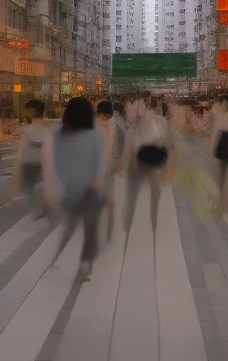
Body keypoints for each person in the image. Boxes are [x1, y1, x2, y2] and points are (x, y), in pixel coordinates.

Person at [43, 97, 106, 281]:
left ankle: (56, 255)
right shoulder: (95, 136)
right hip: (89, 193)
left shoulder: (56, 136)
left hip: (67, 193)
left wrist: (53, 189)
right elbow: (100, 169)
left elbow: (50, 165)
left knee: (70, 226)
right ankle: (85, 263)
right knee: (90, 231)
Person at [123, 96, 173, 232]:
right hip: (154, 156)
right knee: (155, 190)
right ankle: (153, 220)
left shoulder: (137, 122)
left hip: (142, 156)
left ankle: (130, 220)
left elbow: (131, 142)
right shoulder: (160, 121)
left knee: (135, 190)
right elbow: (167, 142)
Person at [11, 99, 48, 218]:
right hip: (41, 163)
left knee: (27, 188)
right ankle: (42, 206)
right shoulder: (46, 129)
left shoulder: (28, 129)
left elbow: (16, 134)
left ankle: (39, 209)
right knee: (33, 186)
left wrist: (18, 162)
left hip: (29, 164)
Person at [96, 100, 118, 239]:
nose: (107, 118)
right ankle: (108, 223)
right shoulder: (110, 126)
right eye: (106, 115)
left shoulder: (94, 127)